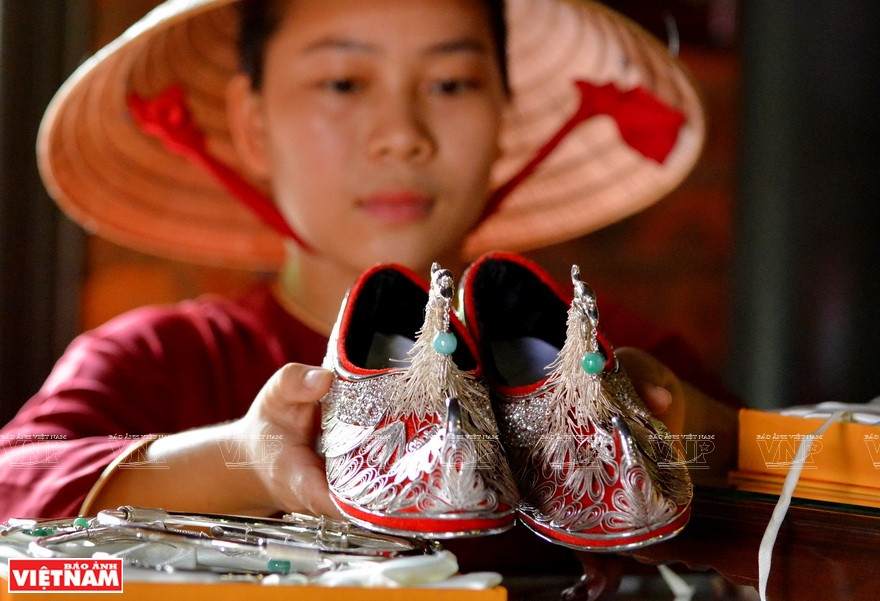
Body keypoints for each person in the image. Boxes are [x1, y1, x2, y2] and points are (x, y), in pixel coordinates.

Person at [0, 0, 737, 523]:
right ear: (254, 125)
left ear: (504, 115)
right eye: (344, 83)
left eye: (450, 84)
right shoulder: (161, 359)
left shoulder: (622, 366)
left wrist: (690, 432)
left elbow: (798, 483)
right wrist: (245, 461)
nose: (402, 135)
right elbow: (13, 483)